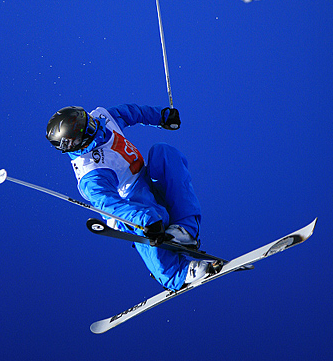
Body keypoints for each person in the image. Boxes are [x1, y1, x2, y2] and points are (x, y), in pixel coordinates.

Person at [46, 103, 216, 290]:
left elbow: (131, 113)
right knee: (151, 214)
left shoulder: (103, 117)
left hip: (147, 177)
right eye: (83, 130)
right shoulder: (90, 172)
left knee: (164, 152)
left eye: (87, 121)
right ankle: (174, 273)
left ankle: (185, 230)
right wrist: (144, 220)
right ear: (73, 143)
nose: (92, 127)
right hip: (129, 203)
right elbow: (108, 204)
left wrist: (162, 116)